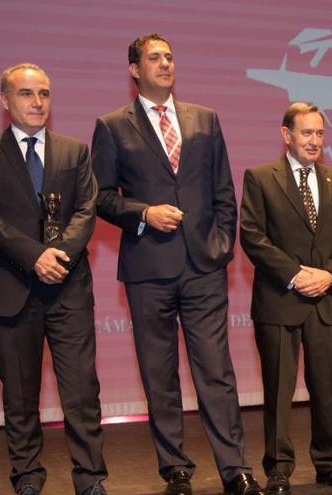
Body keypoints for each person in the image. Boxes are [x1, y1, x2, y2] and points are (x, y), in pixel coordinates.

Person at [91, 34, 262, 495]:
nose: (165, 63)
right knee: (159, 374)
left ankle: (235, 469)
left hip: (203, 265)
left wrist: (222, 245)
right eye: (154, 58)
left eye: (169, 57)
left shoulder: (204, 119)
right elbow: (101, 198)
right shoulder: (112, 126)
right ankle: (176, 471)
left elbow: (224, 192)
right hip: (148, 267)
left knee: (216, 371)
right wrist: (143, 213)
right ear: (134, 69)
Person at [0, 63, 107, 495]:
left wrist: (56, 255)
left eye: (44, 93)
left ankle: (91, 480)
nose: (37, 102)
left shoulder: (74, 150)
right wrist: (35, 256)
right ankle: (27, 477)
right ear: (5, 100)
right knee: (20, 396)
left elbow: (87, 209)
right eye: (26, 93)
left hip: (68, 286)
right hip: (10, 287)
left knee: (82, 392)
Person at [239, 102, 332, 494]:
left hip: (325, 299)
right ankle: (279, 469)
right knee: (278, 389)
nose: (314, 141)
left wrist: (327, 275)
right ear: (286, 134)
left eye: (320, 133)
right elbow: (253, 237)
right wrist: (296, 275)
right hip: (280, 300)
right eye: (306, 133)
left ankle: (329, 464)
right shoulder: (261, 178)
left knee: (327, 386)